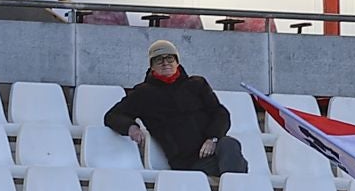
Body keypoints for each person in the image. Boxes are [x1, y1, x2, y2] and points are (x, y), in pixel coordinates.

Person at [101, 40, 247, 177]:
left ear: (177, 62)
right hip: (188, 163)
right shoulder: (143, 93)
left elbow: (220, 113)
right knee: (236, 167)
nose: (165, 63)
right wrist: (131, 127)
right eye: (159, 60)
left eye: (170, 59)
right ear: (152, 66)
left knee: (230, 144)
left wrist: (212, 138)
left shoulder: (197, 84)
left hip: (213, 150)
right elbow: (113, 115)